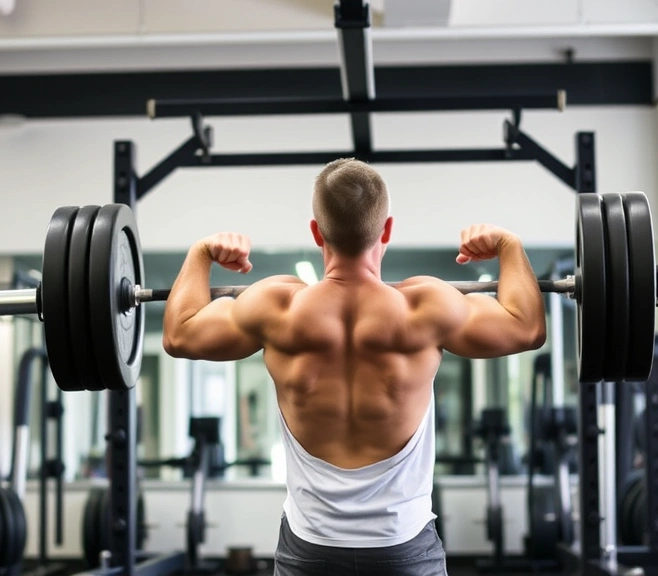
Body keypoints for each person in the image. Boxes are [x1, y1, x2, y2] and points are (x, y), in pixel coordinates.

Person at [163, 158, 546, 576]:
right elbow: (526, 327)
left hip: (310, 549)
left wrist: (201, 254)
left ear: (316, 231)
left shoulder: (275, 307)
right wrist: (509, 246)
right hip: (403, 546)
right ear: (386, 230)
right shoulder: (426, 307)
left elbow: (179, 334)